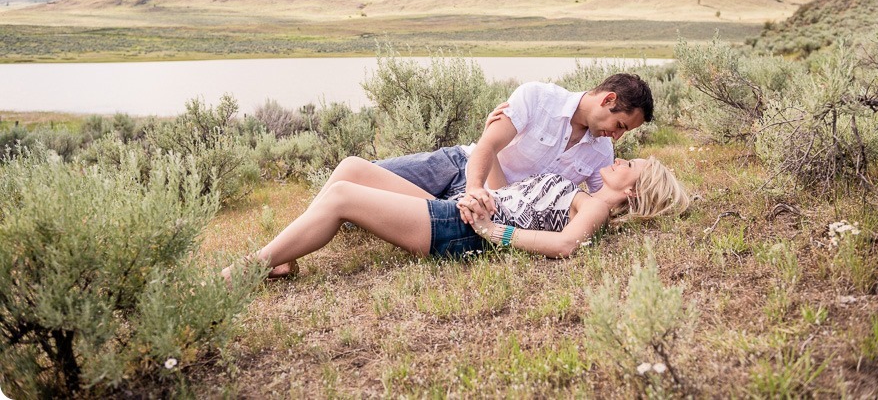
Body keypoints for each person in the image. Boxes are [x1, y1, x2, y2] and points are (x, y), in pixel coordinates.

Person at [223, 152, 689, 280]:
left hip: (460, 233)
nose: (623, 160)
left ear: (631, 192)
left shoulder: (593, 209)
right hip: (460, 213)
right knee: (351, 168)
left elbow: (565, 245)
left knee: (342, 194)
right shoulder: (582, 192)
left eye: (633, 167)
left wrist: (492, 231)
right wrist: (481, 189)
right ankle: (286, 255)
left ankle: (249, 268)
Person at [376, 73, 653, 224]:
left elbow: (602, 201)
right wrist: (474, 188)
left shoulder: (602, 151)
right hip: (460, 166)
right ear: (609, 99)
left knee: (375, 208)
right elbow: (489, 145)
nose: (616, 136)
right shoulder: (538, 97)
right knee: (365, 174)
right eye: (620, 125)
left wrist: (652, 198)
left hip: (497, 207)